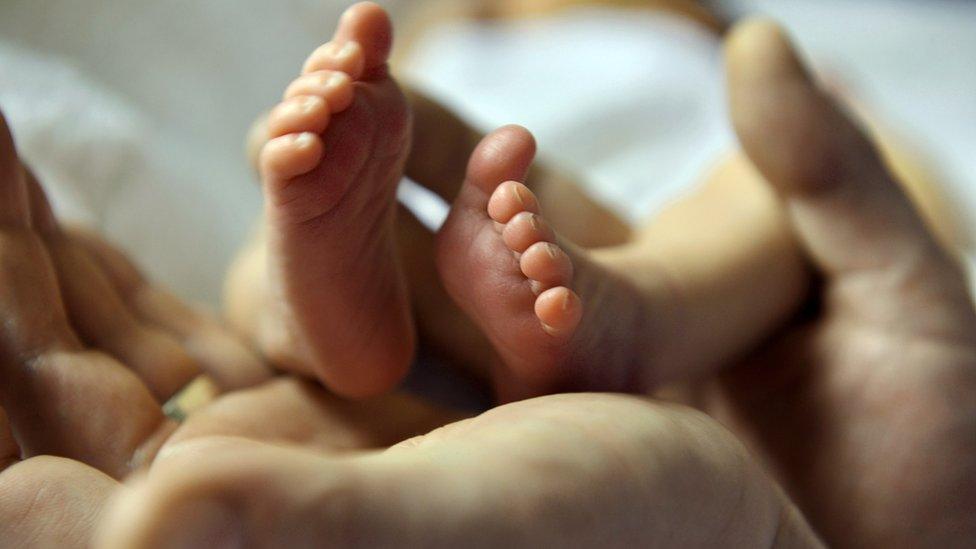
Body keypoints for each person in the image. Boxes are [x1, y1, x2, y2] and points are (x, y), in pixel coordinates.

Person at [1, 3, 974, 547]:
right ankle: (324, 309)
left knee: (763, 194)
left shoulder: (720, 57)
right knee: (284, 248)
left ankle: (644, 309)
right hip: (458, 250)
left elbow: (898, 198)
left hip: (637, 221)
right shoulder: (451, 36)